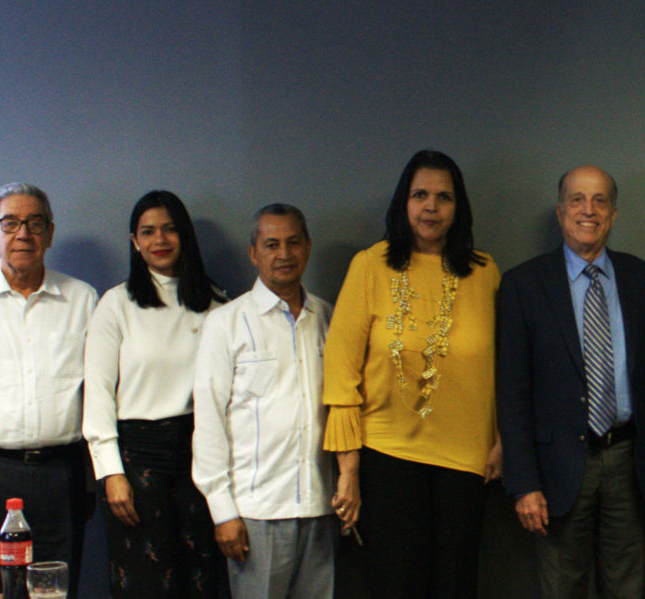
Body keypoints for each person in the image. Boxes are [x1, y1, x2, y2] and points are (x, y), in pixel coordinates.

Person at [322, 149, 502, 598]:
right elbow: (341, 367)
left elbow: (503, 364)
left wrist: (501, 437)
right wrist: (348, 468)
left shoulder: (485, 273)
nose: (431, 207)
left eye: (444, 197)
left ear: (458, 207)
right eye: (420, 195)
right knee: (396, 585)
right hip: (388, 454)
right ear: (404, 202)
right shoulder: (370, 265)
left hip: (465, 460)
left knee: (455, 585)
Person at [497, 166, 645, 599]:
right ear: (560, 211)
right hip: (556, 469)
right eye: (577, 199)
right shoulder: (522, 285)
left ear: (613, 214)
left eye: (599, 200)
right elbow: (512, 394)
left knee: (627, 589)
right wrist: (524, 482)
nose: (588, 210)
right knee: (562, 590)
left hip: (630, 463)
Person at [0, 183, 100, 581]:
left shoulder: (83, 299)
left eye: (35, 223)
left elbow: (99, 391)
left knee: (55, 586)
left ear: (50, 233)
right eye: (10, 223)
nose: (23, 234)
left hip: (60, 474)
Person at [84, 190, 228, 598]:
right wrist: (110, 473)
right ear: (134, 241)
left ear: (185, 236)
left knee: (200, 575)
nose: (159, 240)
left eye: (169, 229)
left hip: (200, 456)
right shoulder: (116, 304)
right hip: (136, 460)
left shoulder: (217, 303)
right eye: (148, 232)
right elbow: (97, 393)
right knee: (147, 582)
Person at [192, 204, 337, 599]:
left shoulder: (328, 318)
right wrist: (223, 512)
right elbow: (208, 422)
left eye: (293, 243)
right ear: (253, 253)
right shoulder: (225, 323)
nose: (284, 254)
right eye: (272, 245)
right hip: (255, 513)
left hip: (319, 507)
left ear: (308, 247)